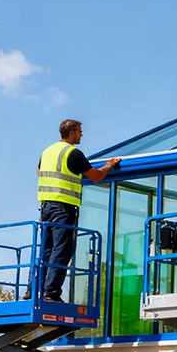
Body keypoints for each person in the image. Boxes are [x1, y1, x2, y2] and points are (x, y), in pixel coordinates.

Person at [36, 119, 121, 302]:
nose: (82, 134)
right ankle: (50, 292)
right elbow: (97, 176)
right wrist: (109, 165)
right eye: (80, 131)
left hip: (46, 207)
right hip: (63, 208)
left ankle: (34, 290)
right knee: (63, 249)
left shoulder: (48, 151)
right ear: (72, 131)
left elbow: (38, 172)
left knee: (46, 250)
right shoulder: (73, 153)